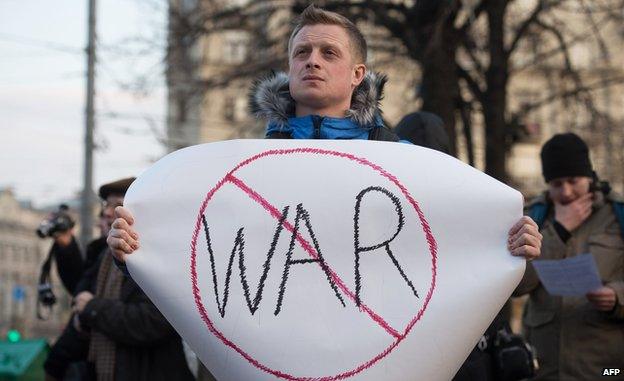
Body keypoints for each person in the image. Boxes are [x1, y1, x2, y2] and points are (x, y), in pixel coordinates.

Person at [106, 6, 542, 377]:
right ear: (289, 67)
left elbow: (451, 263)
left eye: (328, 52)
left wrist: (511, 247)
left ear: (357, 74)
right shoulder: (237, 169)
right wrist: (134, 254)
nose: (312, 61)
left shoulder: (411, 168)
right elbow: (206, 262)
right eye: (302, 52)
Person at [45, 178, 194, 381]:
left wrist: (92, 309)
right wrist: (66, 246)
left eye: (117, 206)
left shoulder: (162, 257)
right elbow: (80, 288)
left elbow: (152, 322)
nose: (107, 212)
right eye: (106, 205)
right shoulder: (102, 255)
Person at [514, 133, 624, 380]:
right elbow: (517, 286)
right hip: (545, 367)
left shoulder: (618, 216)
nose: (566, 191)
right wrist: (559, 231)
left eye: (574, 180)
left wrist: (617, 297)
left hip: (606, 368)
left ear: (589, 176)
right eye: (556, 184)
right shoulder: (533, 218)